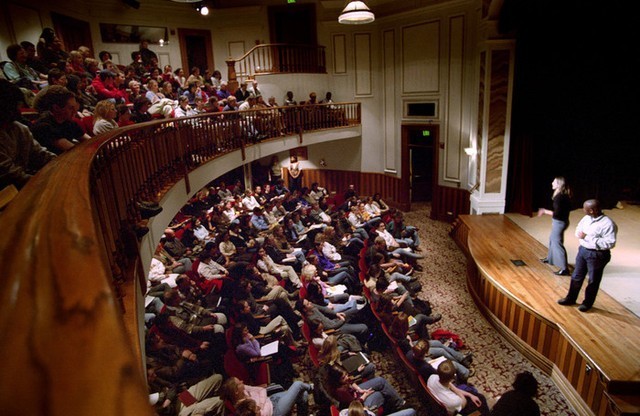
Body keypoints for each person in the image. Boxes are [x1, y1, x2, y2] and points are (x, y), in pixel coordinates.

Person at [557, 199, 617, 312]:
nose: (582, 210)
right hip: (583, 251)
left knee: (593, 280)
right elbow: (578, 230)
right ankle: (571, 298)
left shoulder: (608, 224)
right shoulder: (586, 218)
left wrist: (587, 237)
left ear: (591, 210)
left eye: (584, 208)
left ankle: (587, 303)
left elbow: (610, 243)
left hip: (597, 255)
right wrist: (580, 235)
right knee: (576, 276)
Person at [0, 79, 56, 190]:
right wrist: (43, 183)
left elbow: (40, 154)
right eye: (14, 107)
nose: (18, 112)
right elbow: (10, 174)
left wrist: (60, 164)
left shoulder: (18, 128)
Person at [538, 176, 572, 275]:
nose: (552, 183)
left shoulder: (559, 197)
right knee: (552, 240)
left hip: (560, 222)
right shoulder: (562, 195)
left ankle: (564, 269)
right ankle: (550, 259)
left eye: (554, 182)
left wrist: (545, 211)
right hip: (561, 222)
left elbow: (557, 213)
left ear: (558, 185)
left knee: (557, 243)